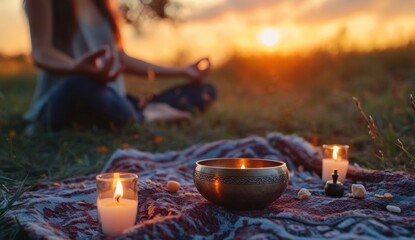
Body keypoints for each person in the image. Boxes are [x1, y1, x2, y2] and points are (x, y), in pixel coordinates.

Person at [23, 0, 217, 133]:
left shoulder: (104, 5)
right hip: (64, 102)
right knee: (84, 84)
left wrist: (182, 71)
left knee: (205, 91)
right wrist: (78, 68)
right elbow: (42, 52)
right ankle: (146, 114)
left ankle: (138, 110)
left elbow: (120, 58)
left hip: (112, 99)